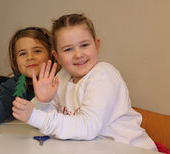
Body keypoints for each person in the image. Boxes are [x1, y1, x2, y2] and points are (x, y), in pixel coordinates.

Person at [12, 14, 157, 151]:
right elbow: (52, 126)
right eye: (68, 49)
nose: (78, 54)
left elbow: (87, 127)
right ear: (57, 56)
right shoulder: (62, 77)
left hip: (132, 149)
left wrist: (35, 116)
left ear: (97, 45)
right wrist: (43, 102)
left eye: (84, 45)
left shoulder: (104, 75)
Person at [0, 27, 55, 124]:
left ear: (51, 54)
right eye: (23, 53)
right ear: (15, 62)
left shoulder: (62, 81)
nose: (30, 57)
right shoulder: (12, 86)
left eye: (37, 51)